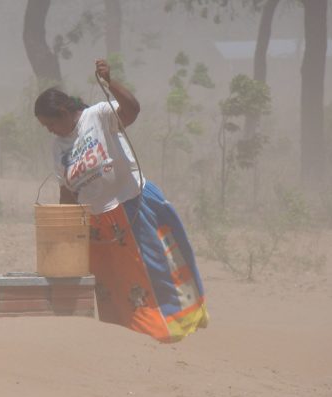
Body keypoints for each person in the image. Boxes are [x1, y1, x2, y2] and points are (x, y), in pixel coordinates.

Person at [34, 59, 208, 343]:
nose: (49, 130)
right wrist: (65, 231)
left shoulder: (98, 115)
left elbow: (132, 110)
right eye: (45, 126)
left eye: (50, 123)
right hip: (99, 224)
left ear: (64, 112)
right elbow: (67, 190)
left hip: (132, 205)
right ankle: (132, 338)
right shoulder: (58, 147)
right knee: (117, 283)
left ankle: (177, 326)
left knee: (157, 269)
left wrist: (109, 83)